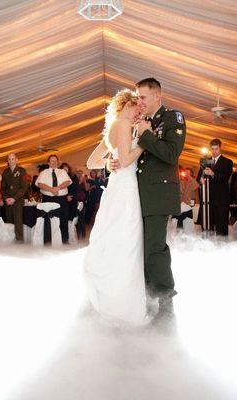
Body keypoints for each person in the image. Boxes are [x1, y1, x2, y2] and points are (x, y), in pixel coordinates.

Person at [107, 78, 186, 310]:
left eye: (142, 97)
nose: (138, 101)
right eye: (137, 97)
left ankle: (164, 299)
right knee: (140, 247)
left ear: (156, 96)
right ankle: (148, 294)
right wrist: (112, 162)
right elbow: (129, 155)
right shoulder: (142, 122)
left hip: (159, 194)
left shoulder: (173, 117)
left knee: (154, 247)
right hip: (138, 194)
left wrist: (145, 135)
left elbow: (171, 154)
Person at [84, 88, 147, 324]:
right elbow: (128, 158)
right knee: (127, 240)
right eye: (136, 109)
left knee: (117, 238)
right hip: (126, 190)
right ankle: (123, 301)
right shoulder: (122, 124)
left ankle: (116, 292)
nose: (137, 114)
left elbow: (92, 161)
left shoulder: (115, 126)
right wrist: (143, 141)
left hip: (116, 188)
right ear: (127, 106)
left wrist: (108, 162)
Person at [198, 138, 233, 236]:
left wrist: (213, 174)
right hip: (207, 200)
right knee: (207, 227)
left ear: (220, 148)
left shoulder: (227, 162)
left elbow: (225, 178)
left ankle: (222, 248)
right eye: (212, 149)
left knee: (221, 227)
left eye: (216, 149)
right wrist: (201, 179)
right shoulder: (205, 161)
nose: (214, 151)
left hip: (221, 200)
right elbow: (198, 178)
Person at [36, 154, 72, 243]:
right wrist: (51, 189)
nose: (54, 162)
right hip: (48, 199)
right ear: (48, 162)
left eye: (55, 161)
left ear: (58, 162)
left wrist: (58, 188)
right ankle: (48, 239)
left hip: (61, 200)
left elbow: (68, 182)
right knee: (48, 219)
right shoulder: (43, 172)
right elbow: (40, 184)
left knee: (63, 219)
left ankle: (64, 239)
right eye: (52, 161)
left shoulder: (62, 172)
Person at [1, 153, 28, 242]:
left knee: (18, 222)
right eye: (9, 159)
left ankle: (19, 241)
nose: (11, 161)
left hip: (18, 200)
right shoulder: (5, 172)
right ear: (7, 161)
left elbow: (24, 187)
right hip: (7, 201)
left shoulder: (22, 171)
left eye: (12, 159)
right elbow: (3, 188)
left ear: (16, 160)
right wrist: (6, 198)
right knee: (9, 221)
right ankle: (10, 240)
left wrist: (14, 198)